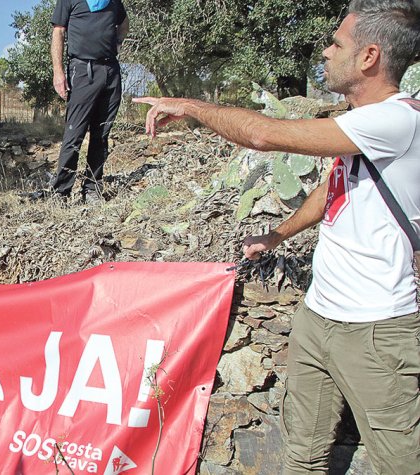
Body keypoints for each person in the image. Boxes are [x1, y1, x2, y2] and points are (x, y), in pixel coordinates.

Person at [134, 1, 420, 473]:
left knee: (400, 463)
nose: (326, 52)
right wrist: (277, 235)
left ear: (370, 57)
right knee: (301, 457)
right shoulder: (362, 124)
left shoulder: (398, 121)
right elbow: (335, 188)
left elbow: (264, 136)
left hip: (375, 331)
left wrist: (191, 107)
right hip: (318, 316)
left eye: (337, 44)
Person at [40, 0, 129, 204]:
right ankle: (60, 192)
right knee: (74, 133)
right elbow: (58, 32)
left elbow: (124, 23)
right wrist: (58, 72)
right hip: (82, 70)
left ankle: (92, 188)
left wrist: (118, 42)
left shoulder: (114, 1)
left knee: (102, 134)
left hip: (110, 71)